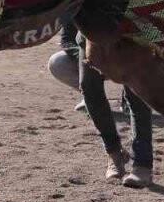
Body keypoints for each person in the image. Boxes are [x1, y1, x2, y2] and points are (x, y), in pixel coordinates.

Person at [49, 16, 156, 187]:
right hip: (91, 34)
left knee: (136, 94)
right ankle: (114, 154)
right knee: (89, 88)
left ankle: (142, 164)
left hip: (130, 32)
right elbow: (66, 37)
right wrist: (98, 62)